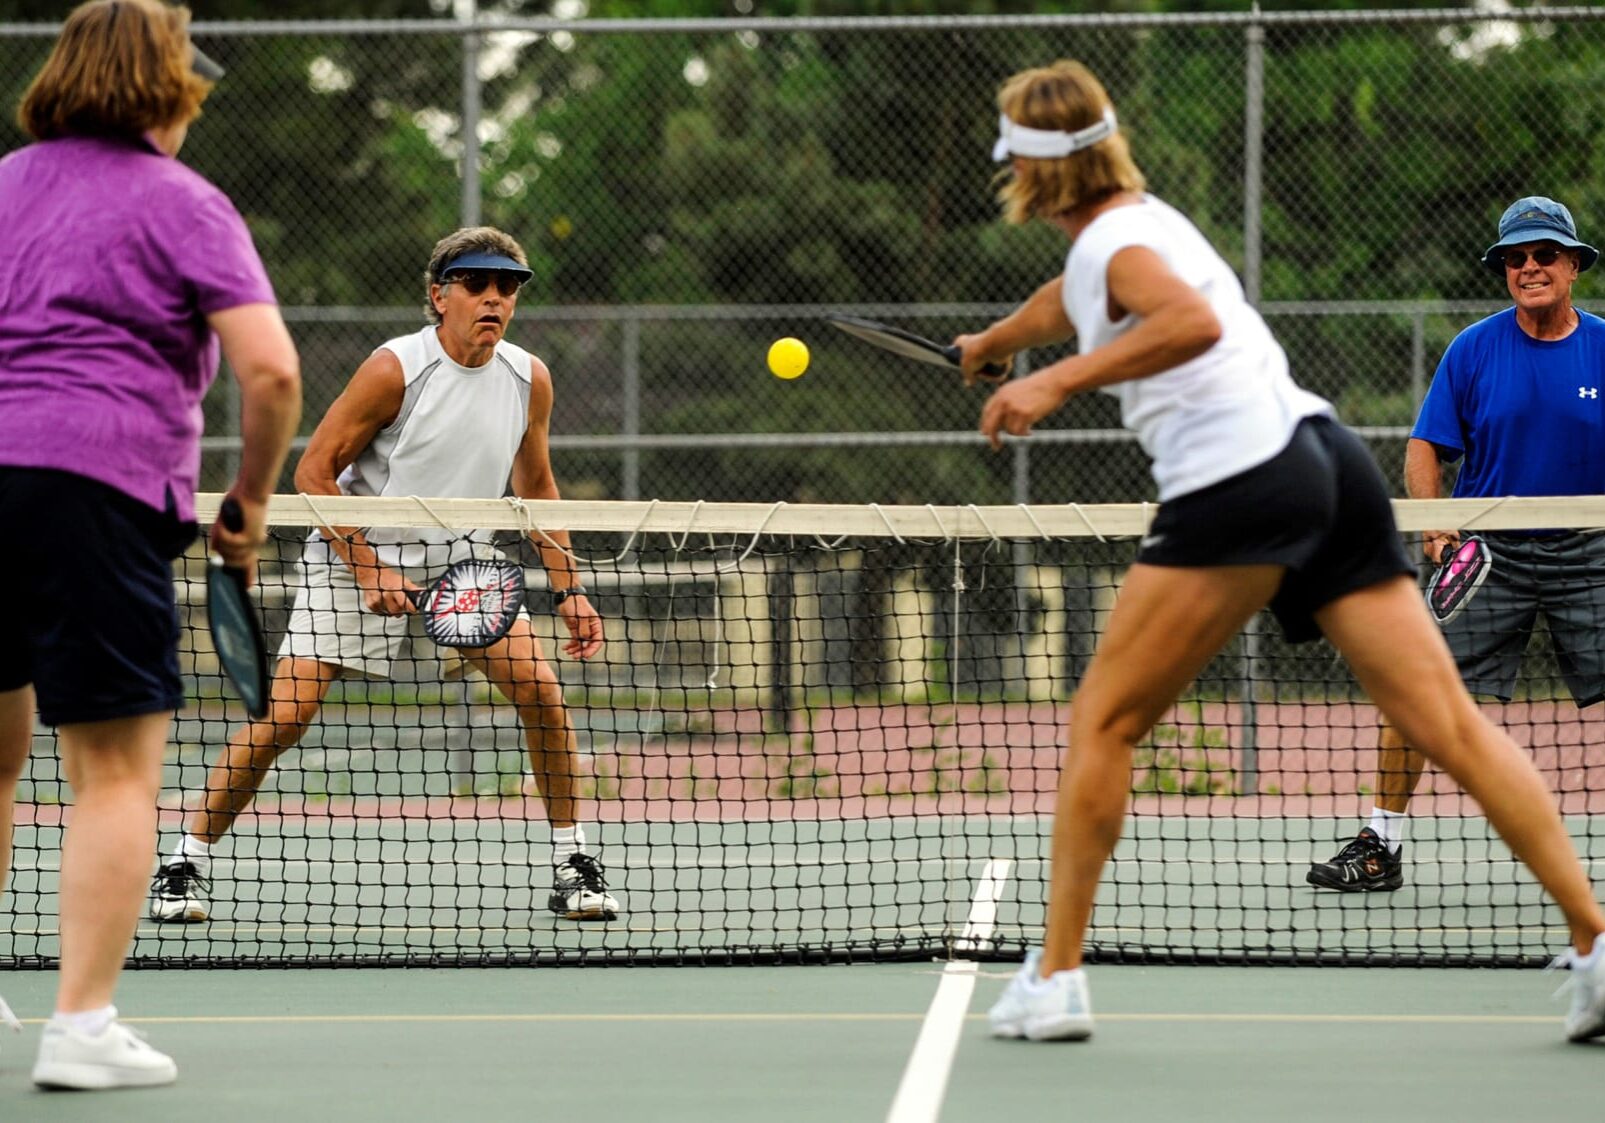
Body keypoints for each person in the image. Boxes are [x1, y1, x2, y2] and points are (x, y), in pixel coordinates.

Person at [955, 60, 1605, 1044]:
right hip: (1327, 460)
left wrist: (1055, 384)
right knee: (1450, 725)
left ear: (1030, 171)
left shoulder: (1122, 247)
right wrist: (996, 342)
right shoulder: (1142, 224)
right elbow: (1067, 295)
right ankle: (1599, 948)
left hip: (1237, 482)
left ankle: (1054, 979)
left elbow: (1188, 320)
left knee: (1103, 722)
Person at [148, 225, 619, 928]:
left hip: (463, 563)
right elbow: (312, 471)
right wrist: (367, 565)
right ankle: (183, 863)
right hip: (353, 551)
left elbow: (538, 486)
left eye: (507, 287)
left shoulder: (529, 377)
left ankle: (571, 861)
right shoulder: (396, 367)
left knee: (542, 693)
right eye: (476, 285)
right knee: (285, 718)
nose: (493, 299)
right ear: (439, 296)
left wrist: (571, 588)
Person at [0, 0, 302, 1089]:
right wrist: (252, 501)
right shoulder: (185, 203)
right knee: (115, 773)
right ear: (163, 88)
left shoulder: (0, 183)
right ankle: (80, 1028)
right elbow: (269, 371)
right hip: (95, 485)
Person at [1307, 196, 1605, 892]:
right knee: (1413, 687)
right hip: (1491, 557)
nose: (1528, 267)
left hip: (1590, 551)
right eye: (1514, 257)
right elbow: (1424, 446)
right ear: (1503, 269)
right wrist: (1436, 518)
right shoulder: (1472, 348)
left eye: (1542, 254)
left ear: (1571, 266)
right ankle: (1379, 845)